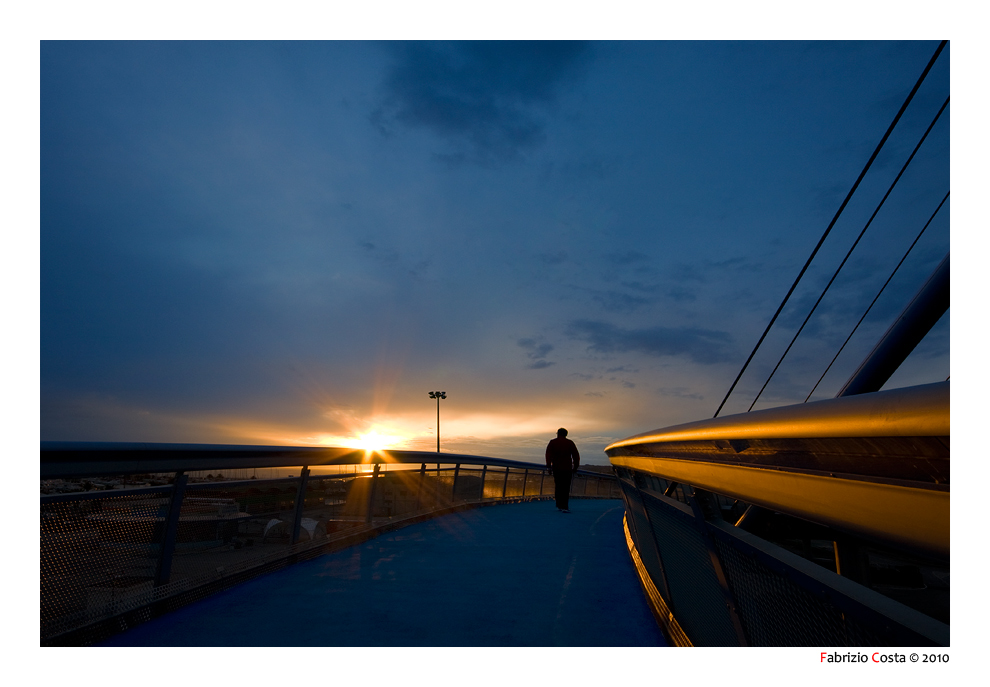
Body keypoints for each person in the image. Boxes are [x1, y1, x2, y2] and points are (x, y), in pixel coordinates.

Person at [545, 428, 580, 512]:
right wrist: (575, 467)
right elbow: (576, 456)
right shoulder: (570, 443)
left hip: (556, 468)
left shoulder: (553, 442)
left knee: (558, 486)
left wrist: (549, 467)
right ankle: (565, 505)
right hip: (567, 468)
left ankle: (559, 504)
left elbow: (548, 455)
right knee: (566, 487)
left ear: (558, 434)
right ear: (566, 434)